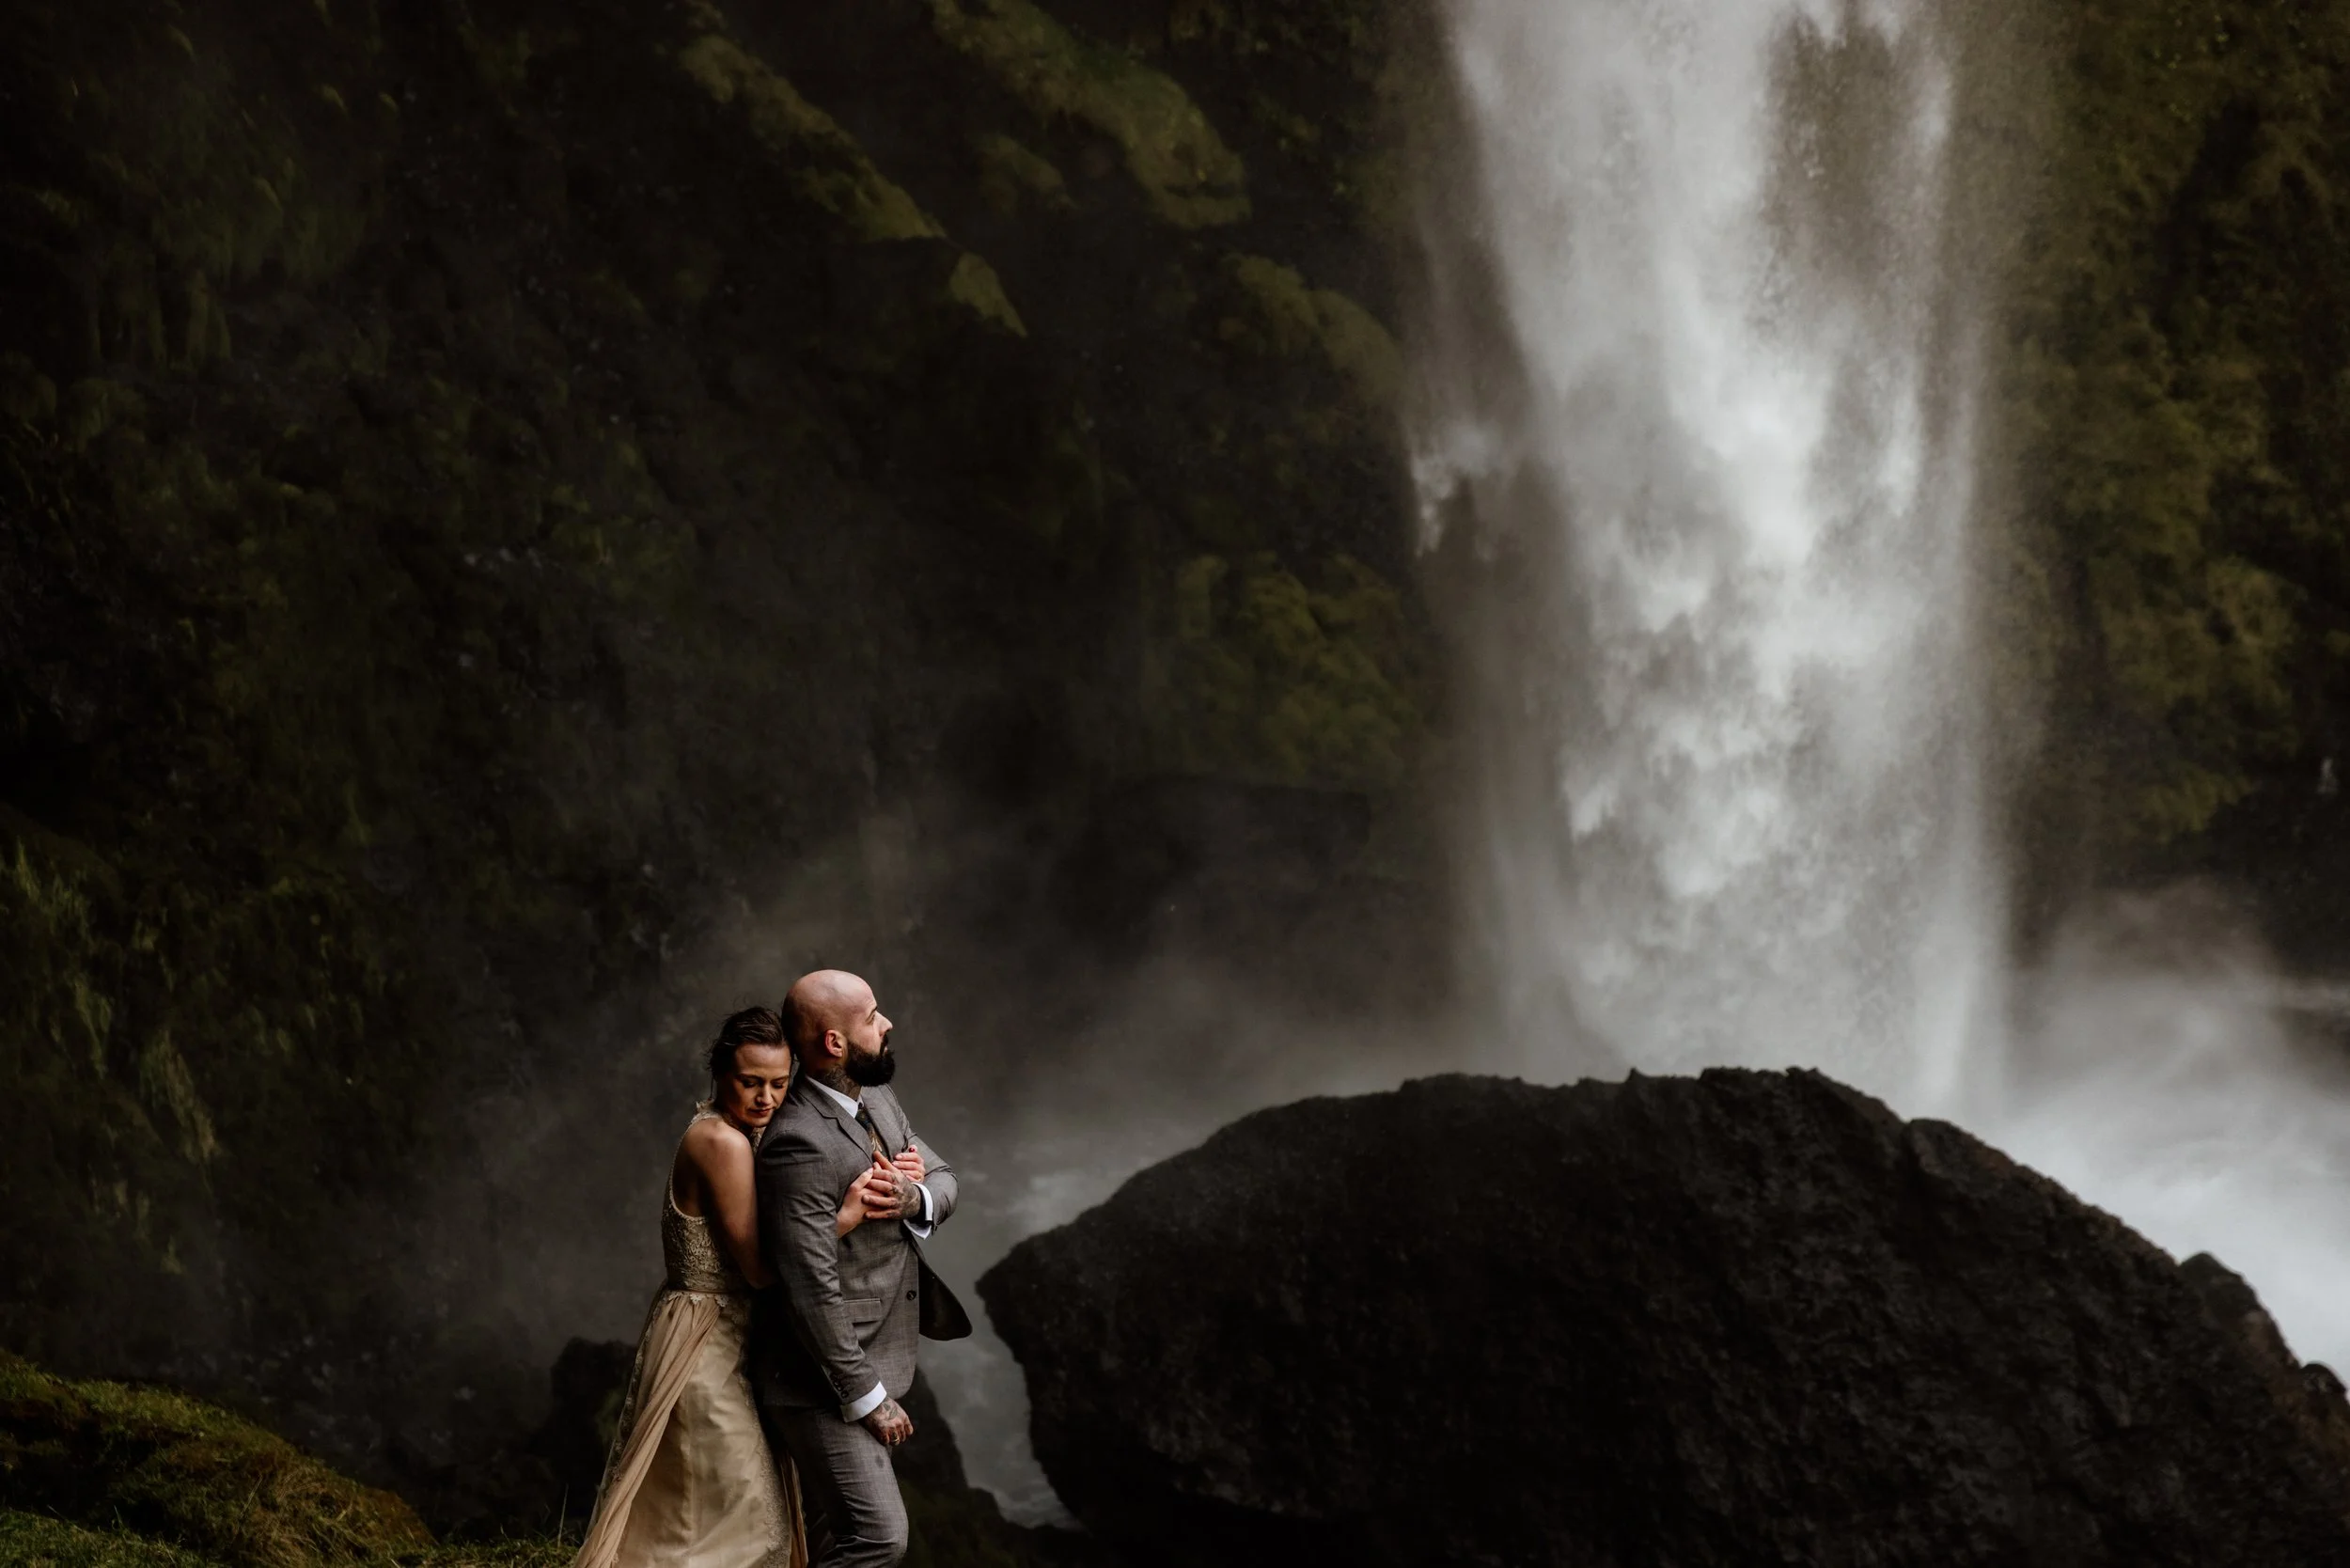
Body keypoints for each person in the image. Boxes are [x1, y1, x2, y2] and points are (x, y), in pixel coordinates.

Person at [572, 1008, 900, 1568]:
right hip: (706, 1339)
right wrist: (844, 1217)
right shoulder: (721, 1142)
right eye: (750, 1082)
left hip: (724, 1333)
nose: (767, 1099)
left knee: (701, 1506)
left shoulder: (739, 1130)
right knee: (730, 1511)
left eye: (779, 1083)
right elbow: (761, 1270)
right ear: (719, 1073)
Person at [751, 970, 968, 1568]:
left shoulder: (875, 1097)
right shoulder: (797, 1142)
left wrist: (913, 1198)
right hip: (821, 1380)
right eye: (872, 1017)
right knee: (879, 1538)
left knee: (831, 1541)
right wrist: (868, 1397)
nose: (887, 1023)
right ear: (834, 1043)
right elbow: (808, 1286)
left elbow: (944, 1176)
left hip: (876, 1354)